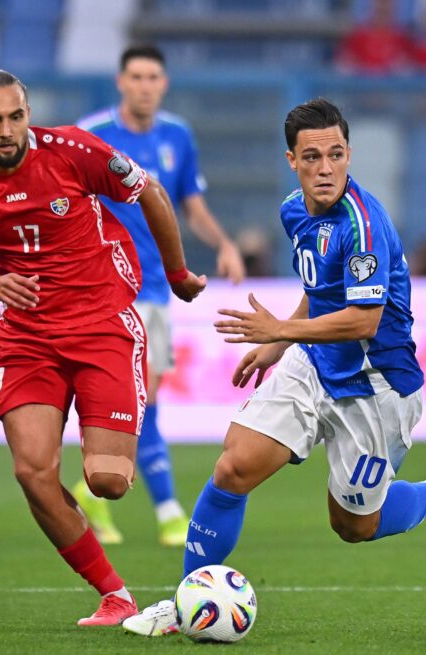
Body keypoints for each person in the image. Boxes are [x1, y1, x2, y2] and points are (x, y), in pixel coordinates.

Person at [122, 98, 426, 637]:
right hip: (313, 363)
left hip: (378, 386)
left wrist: (279, 332)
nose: (325, 168)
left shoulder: (363, 226)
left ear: (349, 154)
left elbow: (363, 320)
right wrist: (280, 343)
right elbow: (320, 289)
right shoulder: (294, 210)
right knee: (233, 468)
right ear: (292, 160)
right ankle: (185, 601)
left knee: (355, 526)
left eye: (336, 155)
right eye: (312, 157)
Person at [0, 69, 205, 627]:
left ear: (28, 114)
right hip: (28, 337)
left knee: (108, 482)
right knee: (32, 471)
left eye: (16, 116)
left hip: (102, 321)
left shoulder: (73, 151)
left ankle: (111, 458)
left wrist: (176, 274)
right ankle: (114, 595)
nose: (7, 130)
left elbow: (151, 191)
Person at [73, 45, 245, 548]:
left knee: (142, 397)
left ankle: (92, 493)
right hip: (103, 286)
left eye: (153, 77)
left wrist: (224, 244)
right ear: (120, 82)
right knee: (140, 395)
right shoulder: (92, 135)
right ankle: (169, 511)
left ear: (163, 83)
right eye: (136, 76)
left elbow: (191, 206)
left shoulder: (177, 136)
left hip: (155, 288)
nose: (145, 85)